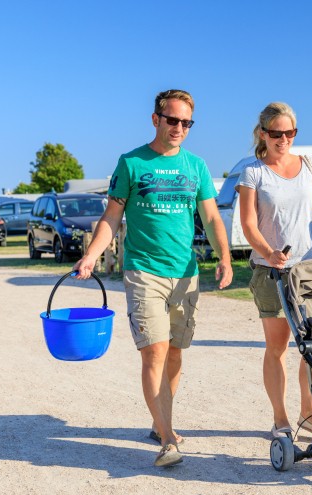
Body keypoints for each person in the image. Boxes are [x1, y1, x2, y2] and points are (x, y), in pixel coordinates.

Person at [73, 89, 232, 467]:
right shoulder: (131, 163)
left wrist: (225, 258)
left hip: (186, 274)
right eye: (172, 120)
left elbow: (211, 218)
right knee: (155, 352)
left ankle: (161, 420)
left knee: (176, 353)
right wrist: (92, 255)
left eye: (186, 123)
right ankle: (167, 440)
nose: (179, 128)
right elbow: (112, 218)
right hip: (143, 271)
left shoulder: (196, 166)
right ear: (155, 119)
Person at [237, 102, 312, 440]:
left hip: (310, 271)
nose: (283, 139)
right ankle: (280, 418)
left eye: (290, 133)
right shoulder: (253, 173)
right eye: (276, 133)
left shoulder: (311, 166)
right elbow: (248, 224)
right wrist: (268, 253)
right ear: (263, 134)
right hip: (272, 272)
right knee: (278, 347)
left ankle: (309, 411)